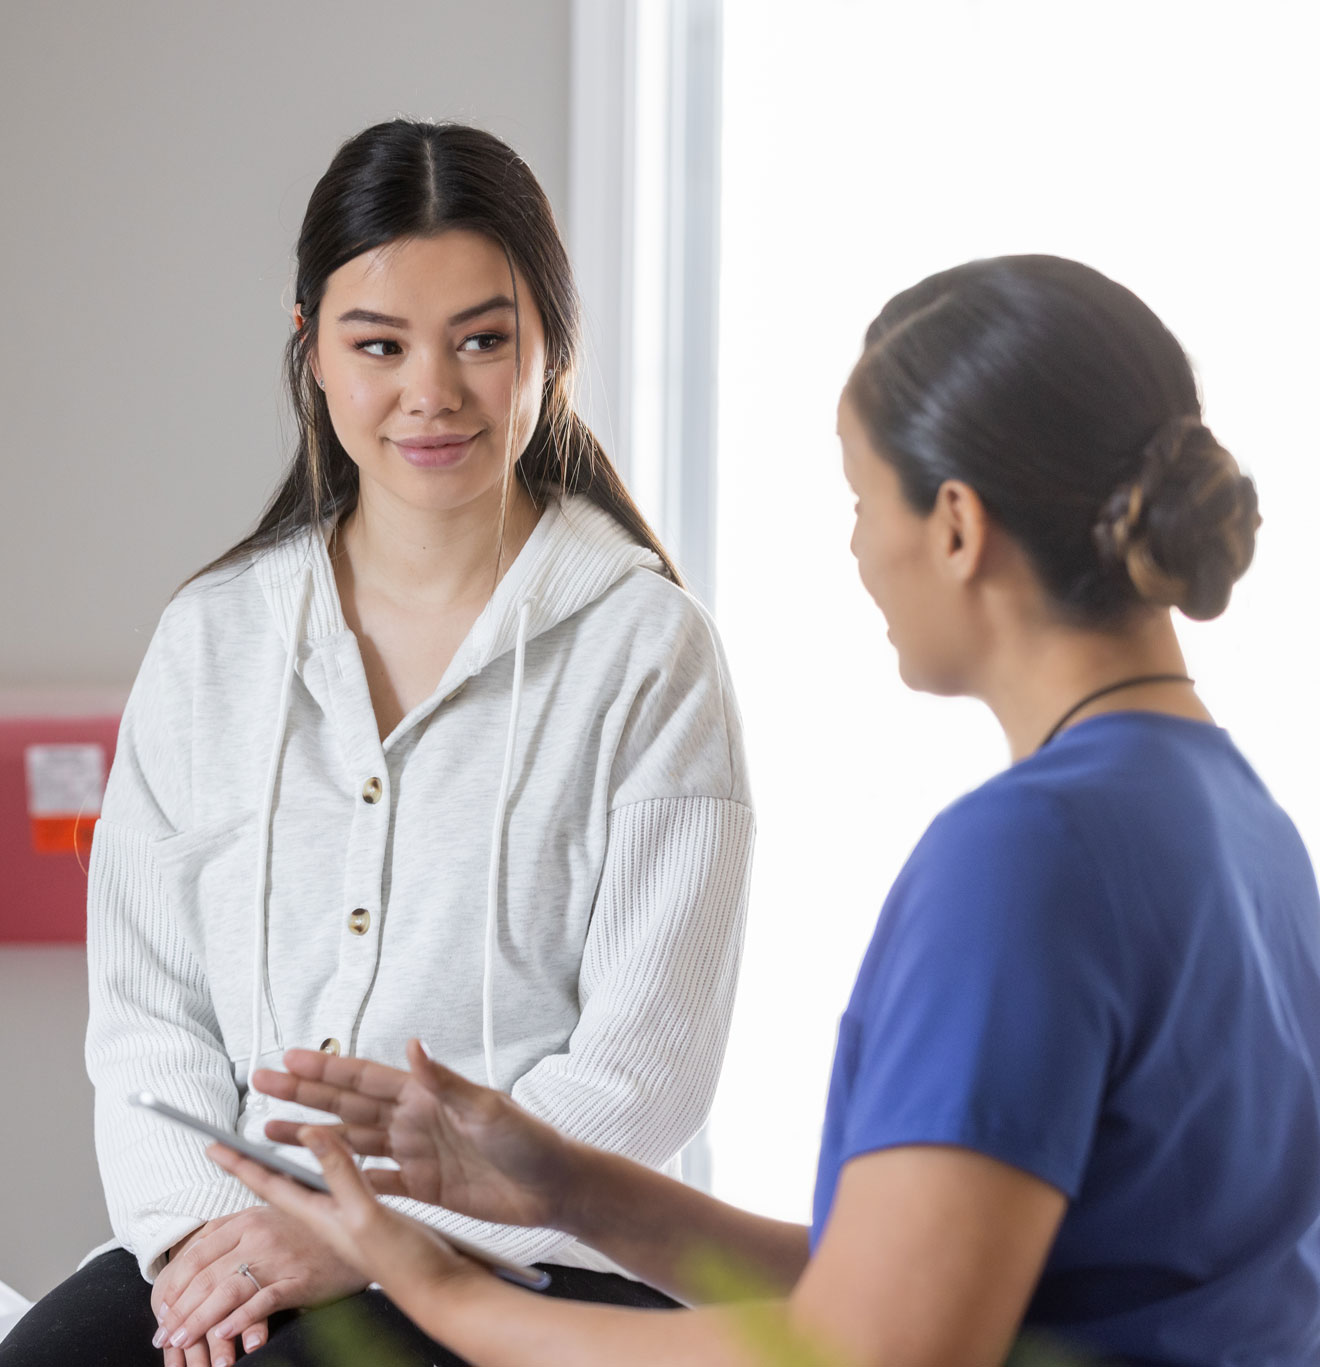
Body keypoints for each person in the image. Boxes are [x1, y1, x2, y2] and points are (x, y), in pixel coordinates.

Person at [201, 255, 1318, 1365]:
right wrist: (566, 1184)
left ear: (958, 525)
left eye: (860, 498)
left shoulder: (1025, 857)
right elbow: (921, 1277)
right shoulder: (1245, 824)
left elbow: (879, 1349)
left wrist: (443, 1289)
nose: (855, 546)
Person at [0, 121, 754, 1367]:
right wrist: (206, 1244)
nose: (432, 392)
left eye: (482, 338)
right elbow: (147, 1015)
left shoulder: (648, 650)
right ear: (310, 348)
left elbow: (641, 1073)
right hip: (237, 1230)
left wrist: (363, 1234)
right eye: (379, 344)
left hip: (531, 1257)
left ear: (549, 347)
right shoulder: (213, 639)